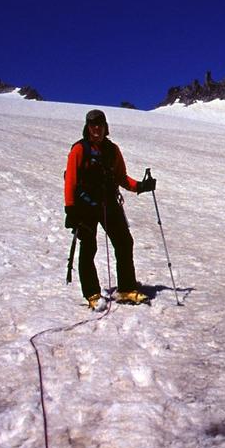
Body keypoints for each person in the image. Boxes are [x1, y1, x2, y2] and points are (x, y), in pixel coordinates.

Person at [64, 109, 156, 309]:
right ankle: (92, 295)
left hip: (109, 203)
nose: (96, 128)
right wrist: (70, 209)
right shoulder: (79, 150)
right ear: (87, 127)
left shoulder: (112, 150)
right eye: (92, 125)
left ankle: (126, 289)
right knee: (88, 248)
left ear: (105, 127)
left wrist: (141, 186)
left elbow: (121, 177)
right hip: (85, 206)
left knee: (124, 242)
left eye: (99, 124)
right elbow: (70, 180)